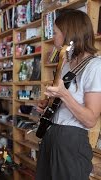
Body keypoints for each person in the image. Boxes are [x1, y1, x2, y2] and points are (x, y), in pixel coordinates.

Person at [35, 9, 101, 180]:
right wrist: (48, 104)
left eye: (56, 33)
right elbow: (63, 100)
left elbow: (90, 119)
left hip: (71, 140)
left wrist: (64, 95)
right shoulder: (66, 63)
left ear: (69, 34)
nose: (53, 37)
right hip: (52, 133)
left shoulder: (95, 67)